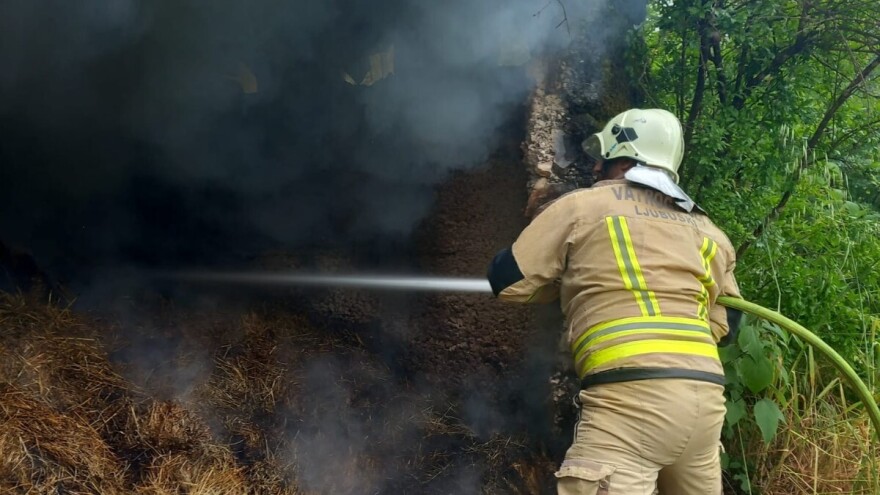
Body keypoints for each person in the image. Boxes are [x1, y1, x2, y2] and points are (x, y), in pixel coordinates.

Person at [488, 108, 742, 494]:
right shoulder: (709, 232)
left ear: (622, 161)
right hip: (705, 405)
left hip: (631, 403)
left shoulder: (585, 207)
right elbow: (728, 325)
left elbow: (507, 280)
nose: (594, 171)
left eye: (602, 161)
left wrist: (568, 280)